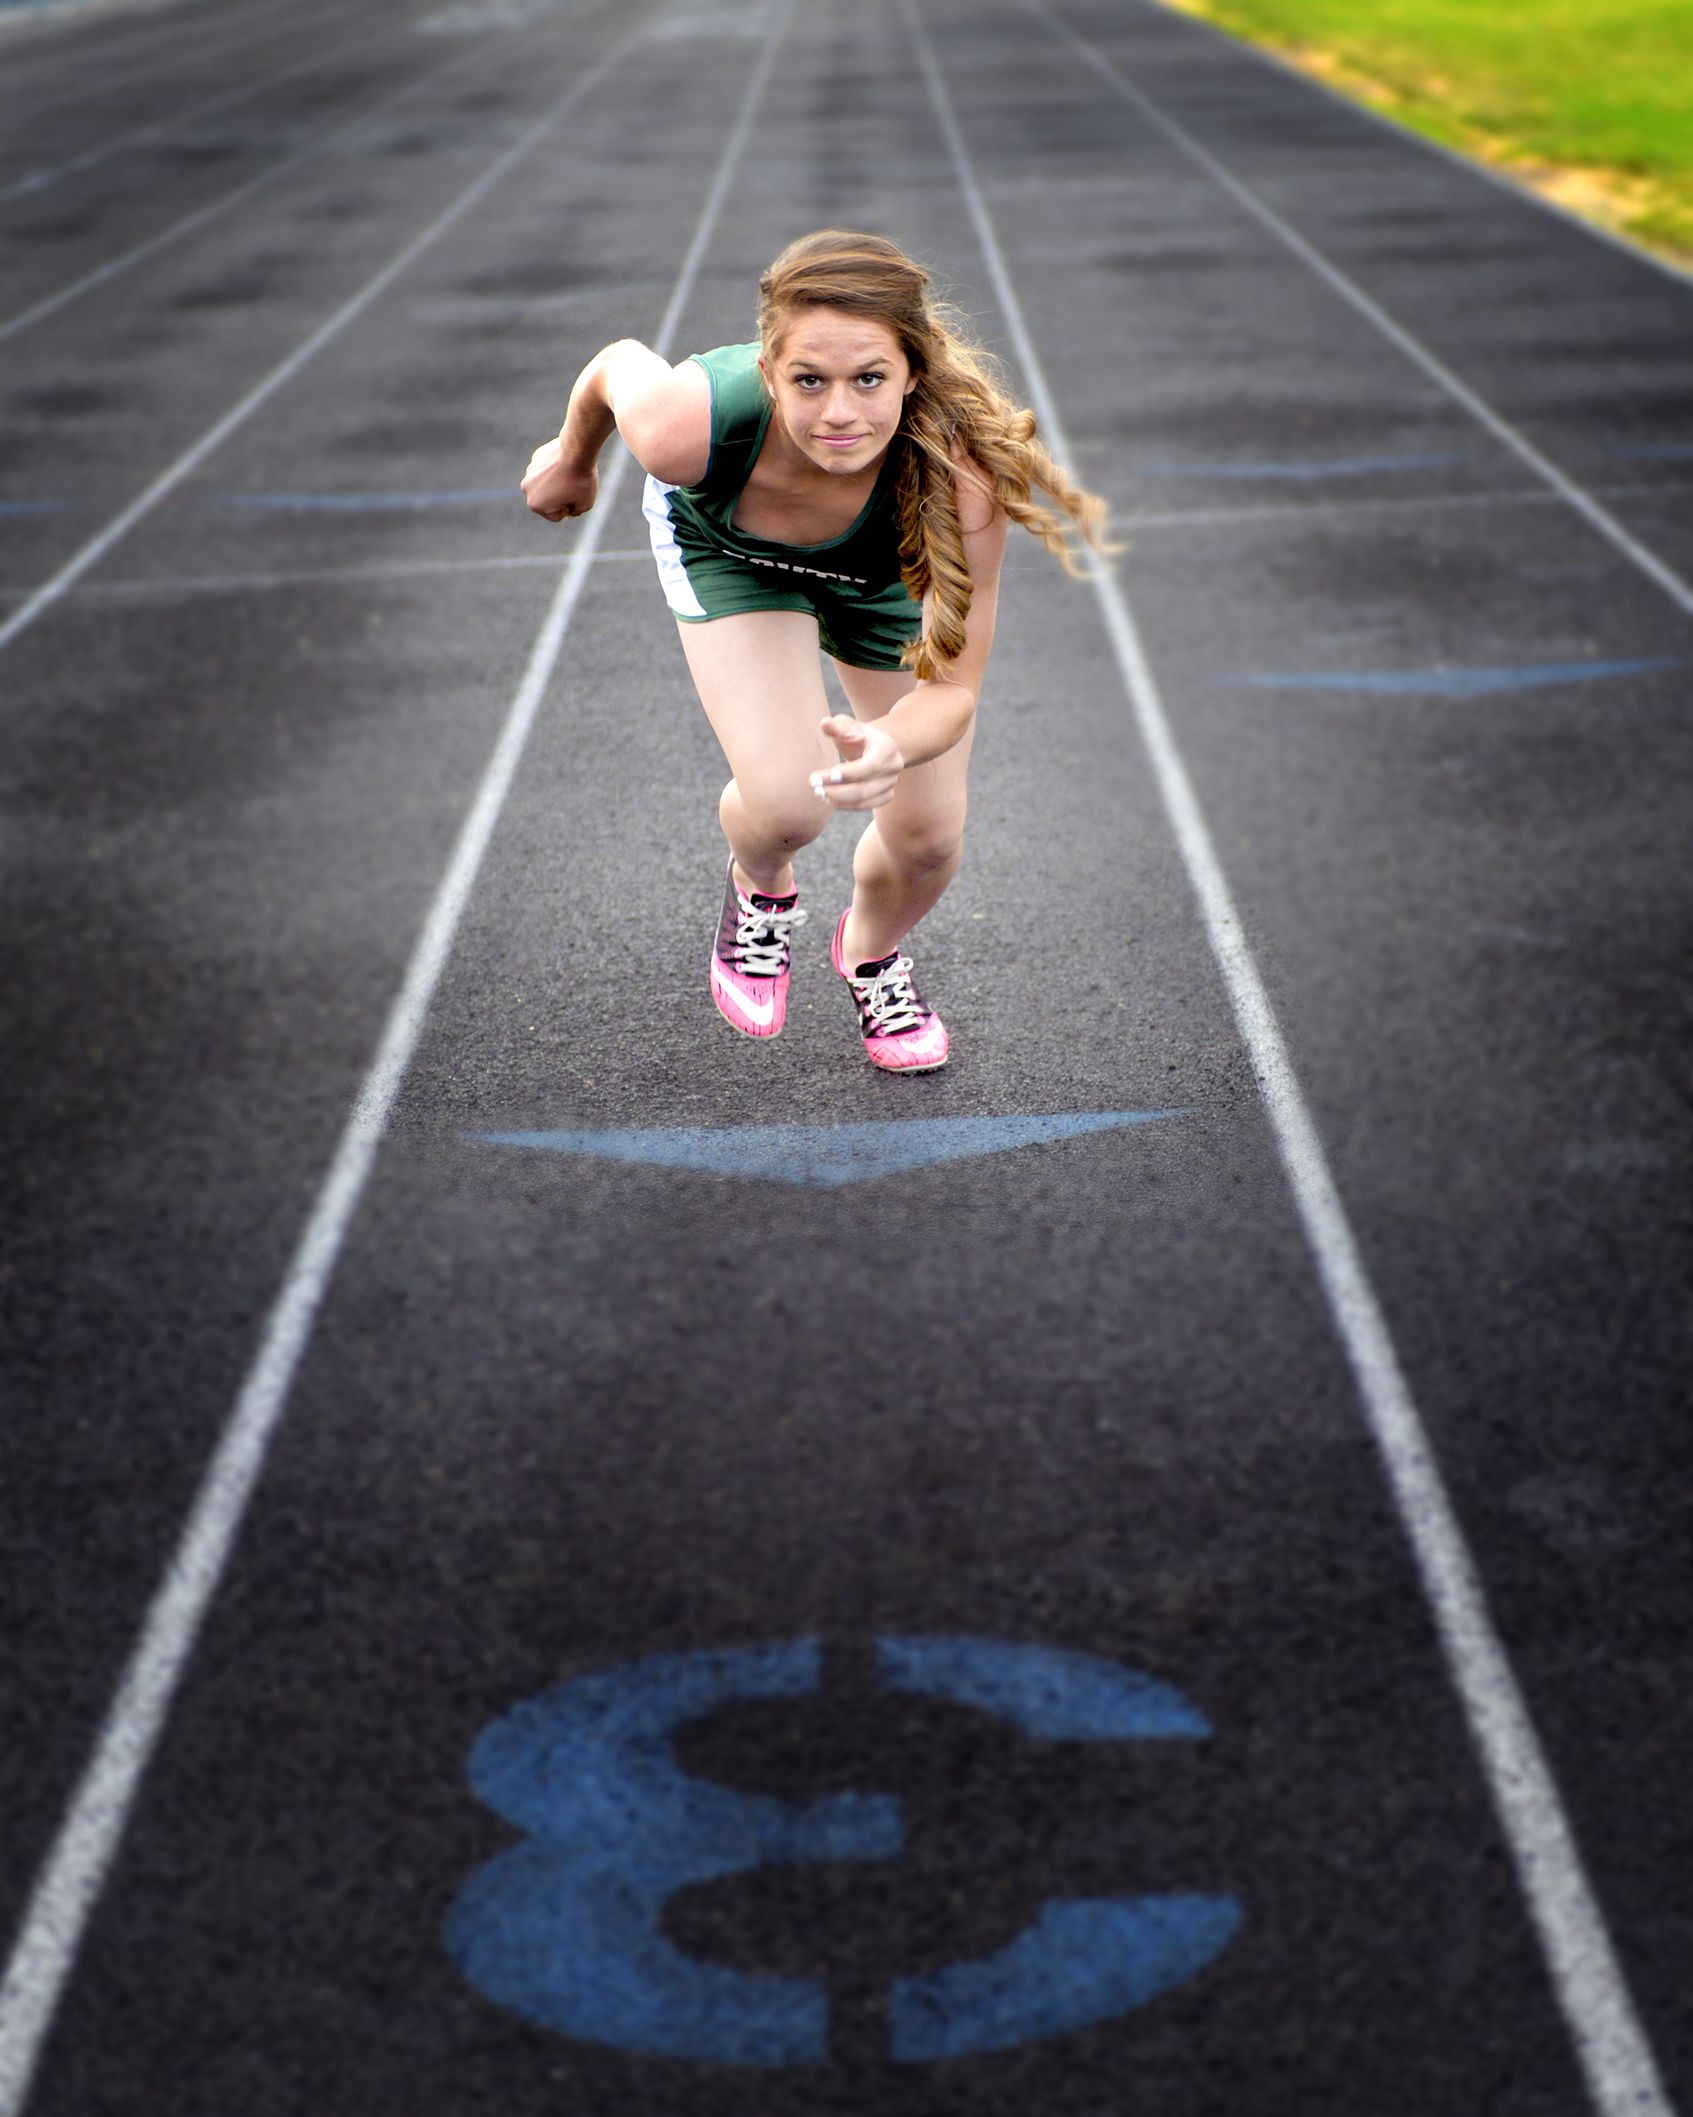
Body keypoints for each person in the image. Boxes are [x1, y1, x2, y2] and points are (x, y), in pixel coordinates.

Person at [521, 229, 1110, 1074]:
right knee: (791, 803)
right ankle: (760, 884)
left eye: (869, 379)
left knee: (929, 840)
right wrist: (573, 457)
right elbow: (617, 362)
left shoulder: (959, 482)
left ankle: (870, 954)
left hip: (883, 577)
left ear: (913, 374)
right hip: (732, 555)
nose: (839, 413)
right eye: (808, 381)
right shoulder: (689, 426)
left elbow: (952, 690)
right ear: (768, 374)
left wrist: (892, 743)